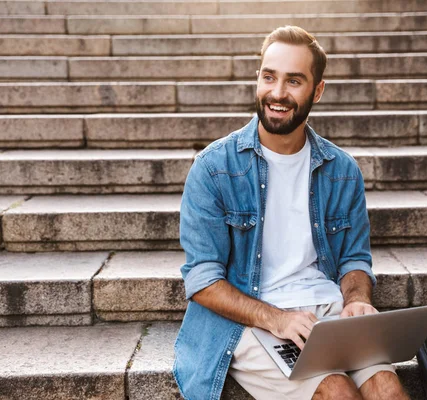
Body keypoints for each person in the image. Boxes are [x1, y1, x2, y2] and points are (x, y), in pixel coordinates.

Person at [175, 25, 410, 400]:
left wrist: (356, 300)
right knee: (337, 392)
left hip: (327, 310)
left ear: (317, 90)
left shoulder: (341, 169)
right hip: (253, 318)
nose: (278, 93)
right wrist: (278, 319)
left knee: (388, 389)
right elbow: (202, 280)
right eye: (269, 77)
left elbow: (353, 259)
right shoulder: (214, 168)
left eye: (294, 81)